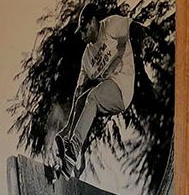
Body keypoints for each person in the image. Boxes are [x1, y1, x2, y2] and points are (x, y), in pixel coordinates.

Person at [54, 12, 135, 177]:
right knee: (82, 101)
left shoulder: (110, 26)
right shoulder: (87, 58)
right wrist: (69, 126)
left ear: (92, 22)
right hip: (109, 89)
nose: (82, 36)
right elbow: (78, 91)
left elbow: (133, 26)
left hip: (123, 89)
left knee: (93, 97)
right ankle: (73, 152)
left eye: (84, 30)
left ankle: (74, 148)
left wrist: (147, 37)